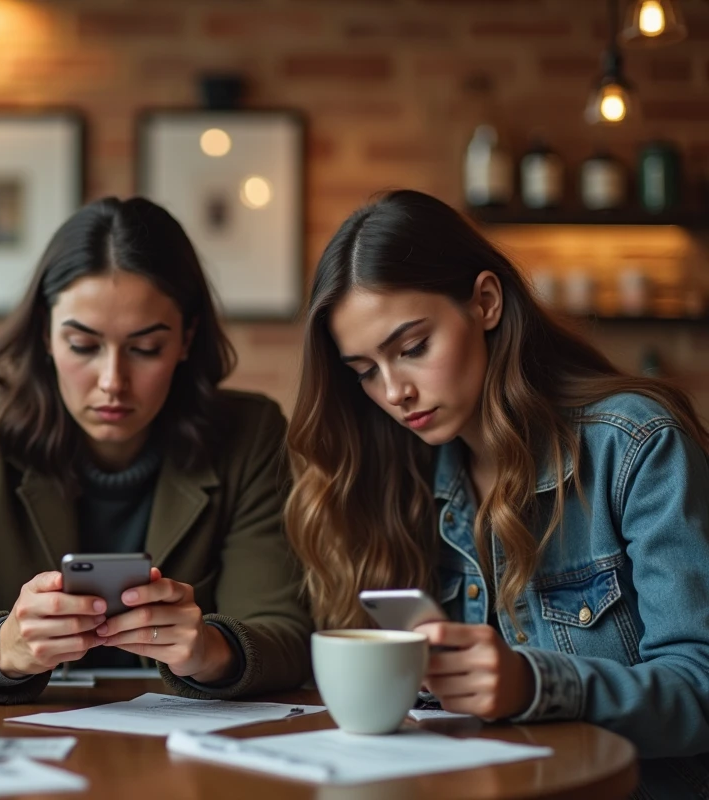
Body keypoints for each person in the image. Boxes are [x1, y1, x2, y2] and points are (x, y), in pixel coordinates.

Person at [286, 189, 709, 797]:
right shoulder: (398, 480)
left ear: (484, 302)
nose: (394, 392)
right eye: (365, 372)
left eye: (412, 349)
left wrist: (536, 684)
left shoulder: (635, 446)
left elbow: (698, 687)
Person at [0, 196, 311, 703]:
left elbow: (286, 634)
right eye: (83, 346)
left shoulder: (249, 433)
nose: (113, 381)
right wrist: (3, 647)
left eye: (145, 348)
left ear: (186, 338)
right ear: (46, 334)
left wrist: (210, 650)